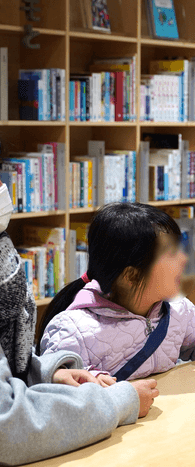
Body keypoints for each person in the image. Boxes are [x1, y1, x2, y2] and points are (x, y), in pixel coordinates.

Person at [0, 175, 159, 466]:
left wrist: (45, 373)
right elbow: (8, 427)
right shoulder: (72, 326)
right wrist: (116, 402)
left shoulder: (171, 308)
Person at [39, 202, 195, 382]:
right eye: (170, 254)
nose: (183, 259)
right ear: (131, 276)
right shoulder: (72, 329)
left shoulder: (176, 309)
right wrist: (100, 385)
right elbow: (58, 386)